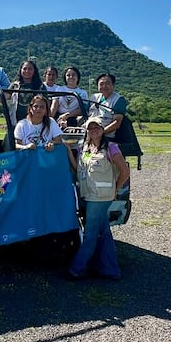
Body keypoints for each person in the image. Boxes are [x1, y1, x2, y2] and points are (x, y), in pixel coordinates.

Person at [66, 116, 129, 280]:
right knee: (104, 231)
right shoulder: (84, 148)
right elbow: (78, 169)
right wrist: (68, 151)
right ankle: (110, 269)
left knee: (91, 234)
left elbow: (124, 171)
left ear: (103, 129)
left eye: (97, 127)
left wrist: (116, 188)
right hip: (88, 195)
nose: (93, 130)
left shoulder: (111, 148)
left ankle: (77, 269)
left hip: (101, 197)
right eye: (90, 128)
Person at [87, 72, 127, 138]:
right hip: (89, 130)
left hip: (105, 135)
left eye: (107, 83)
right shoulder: (93, 97)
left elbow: (117, 123)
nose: (104, 86)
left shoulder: (118, 100)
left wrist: (101, 133)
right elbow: (83, 112)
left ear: (113, 85)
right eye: (101, 84)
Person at [7, 59, 47, 125]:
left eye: (30, 69)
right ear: (21, 70)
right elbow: (5, 96)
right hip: (16, 121)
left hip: (35, 122)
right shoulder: (15, 85)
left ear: (34, 71)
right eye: (24, 68)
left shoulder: (40, 86)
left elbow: (46, 103)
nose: (27, 71)